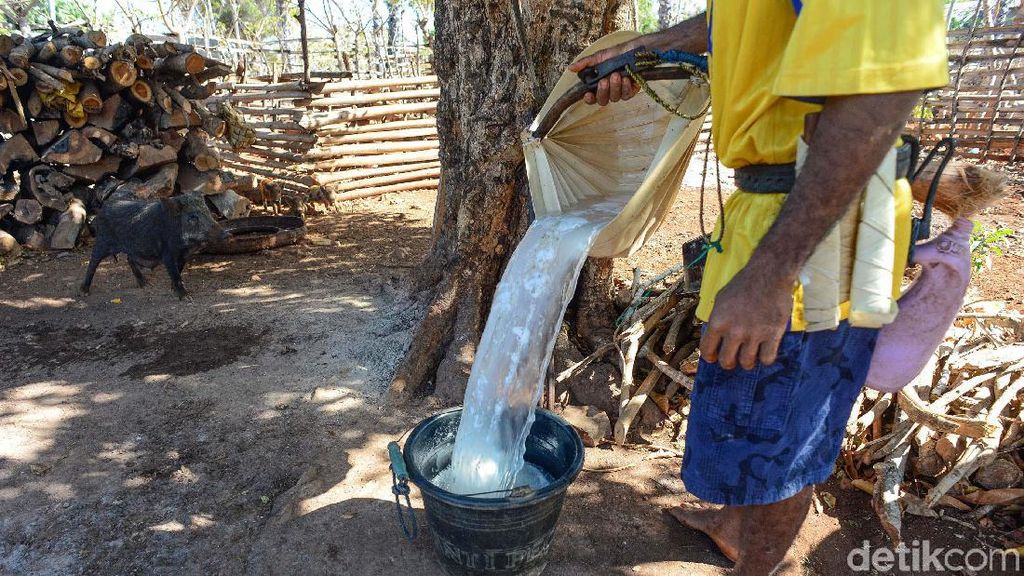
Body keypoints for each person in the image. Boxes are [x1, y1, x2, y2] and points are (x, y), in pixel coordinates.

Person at [569, 2, 949, 574]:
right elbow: (742, 19)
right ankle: (732, 526)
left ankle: (756, 565)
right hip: (781, 211)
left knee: (784, 435)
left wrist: (774, 274)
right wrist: (646, 47)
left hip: (816, 232)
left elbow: (879, 97)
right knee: (756, 409)